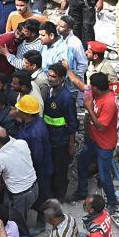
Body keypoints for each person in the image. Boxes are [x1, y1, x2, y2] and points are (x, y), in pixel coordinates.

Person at [73, 73, 119, 208]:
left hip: (105, 145)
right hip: (93, 141)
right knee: (81, 162)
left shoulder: (109, 102)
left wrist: (88, 108)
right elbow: (82, 86)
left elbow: (101, 126)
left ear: (97, 88)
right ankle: (82, 191)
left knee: (104, 177)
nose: (89, 88)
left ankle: (112, 202)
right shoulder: (97, 93)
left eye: (91, 86)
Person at [43, 63, 78, 200]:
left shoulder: (66, 98)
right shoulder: (48, 91)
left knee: (60, 171)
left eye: (54, 77)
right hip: (50, 138)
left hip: (60, 141)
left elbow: (72, 123)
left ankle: (59, 197)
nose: (50, 79)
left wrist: (71, 144)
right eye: (49, 75)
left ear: (62, 78)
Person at [14, 94, 53, 209]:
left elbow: (37, 157)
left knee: (41, 196)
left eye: (20, 110)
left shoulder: (35, 133)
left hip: (40, 170)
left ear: (28, 114)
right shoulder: (34, 122)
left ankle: (42, 220)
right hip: (39, 168)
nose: (17, 111)